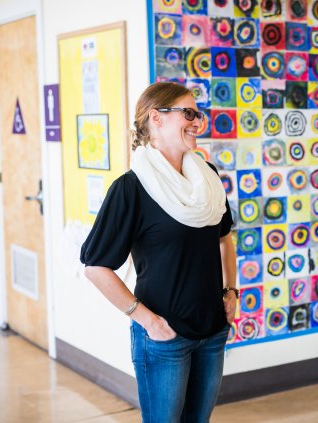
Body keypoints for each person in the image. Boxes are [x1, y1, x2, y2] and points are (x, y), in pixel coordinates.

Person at [80, 82, 238, 423]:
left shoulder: (207, 178)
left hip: (211, 330)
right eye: (189, 113)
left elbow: (224, 237)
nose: (197, 121)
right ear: (157, 118)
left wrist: (231, 291)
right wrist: (147, 320)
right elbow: (95, 267)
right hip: (164, 338)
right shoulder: (131, 188)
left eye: (197, 114)